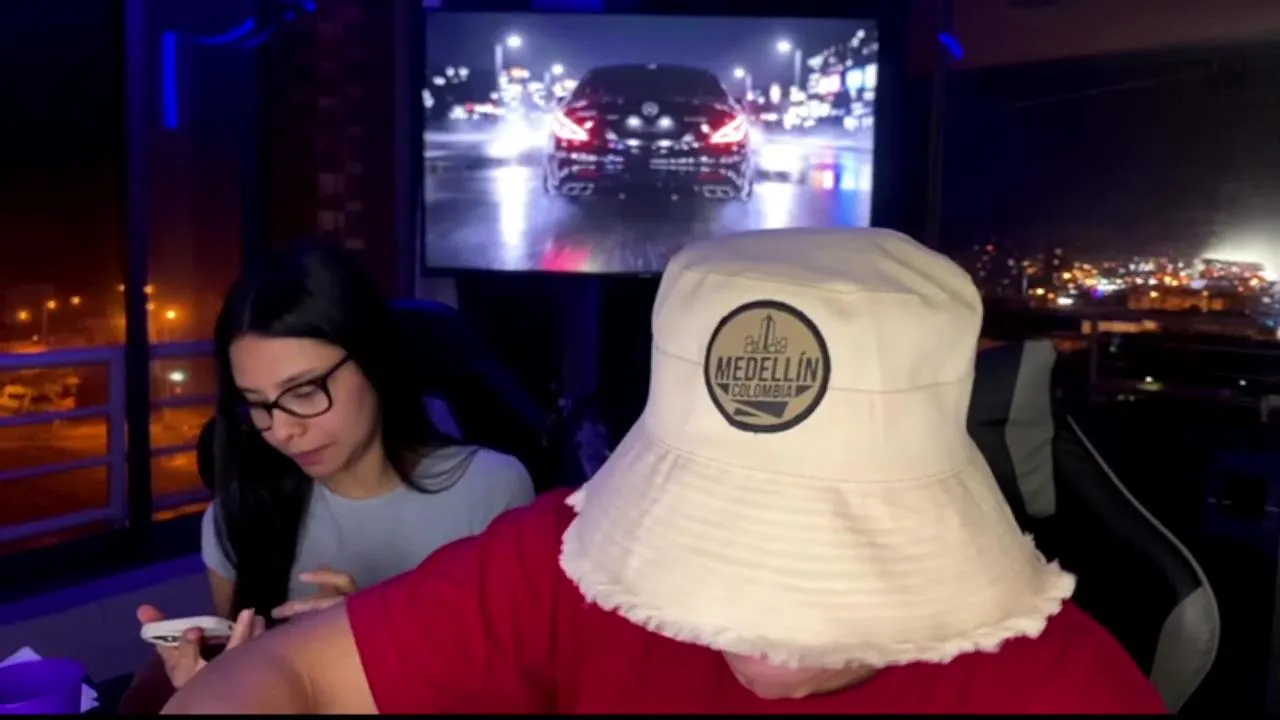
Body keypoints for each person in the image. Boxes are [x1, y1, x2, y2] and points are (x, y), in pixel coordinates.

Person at [162, 229, 1167, 715]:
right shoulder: (557, 563)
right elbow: (285, 672)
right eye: (720, 543)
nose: (763, 638)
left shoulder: (1059, 687)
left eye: (823, 565)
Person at [124, 244, 535, 709]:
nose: (281, 430)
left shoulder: (489, 491)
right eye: (258, 404)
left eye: (304, 391)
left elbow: (521, 693)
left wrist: (377, 643)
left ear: (374, 359)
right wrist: (219, 689)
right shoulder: (237, 516)